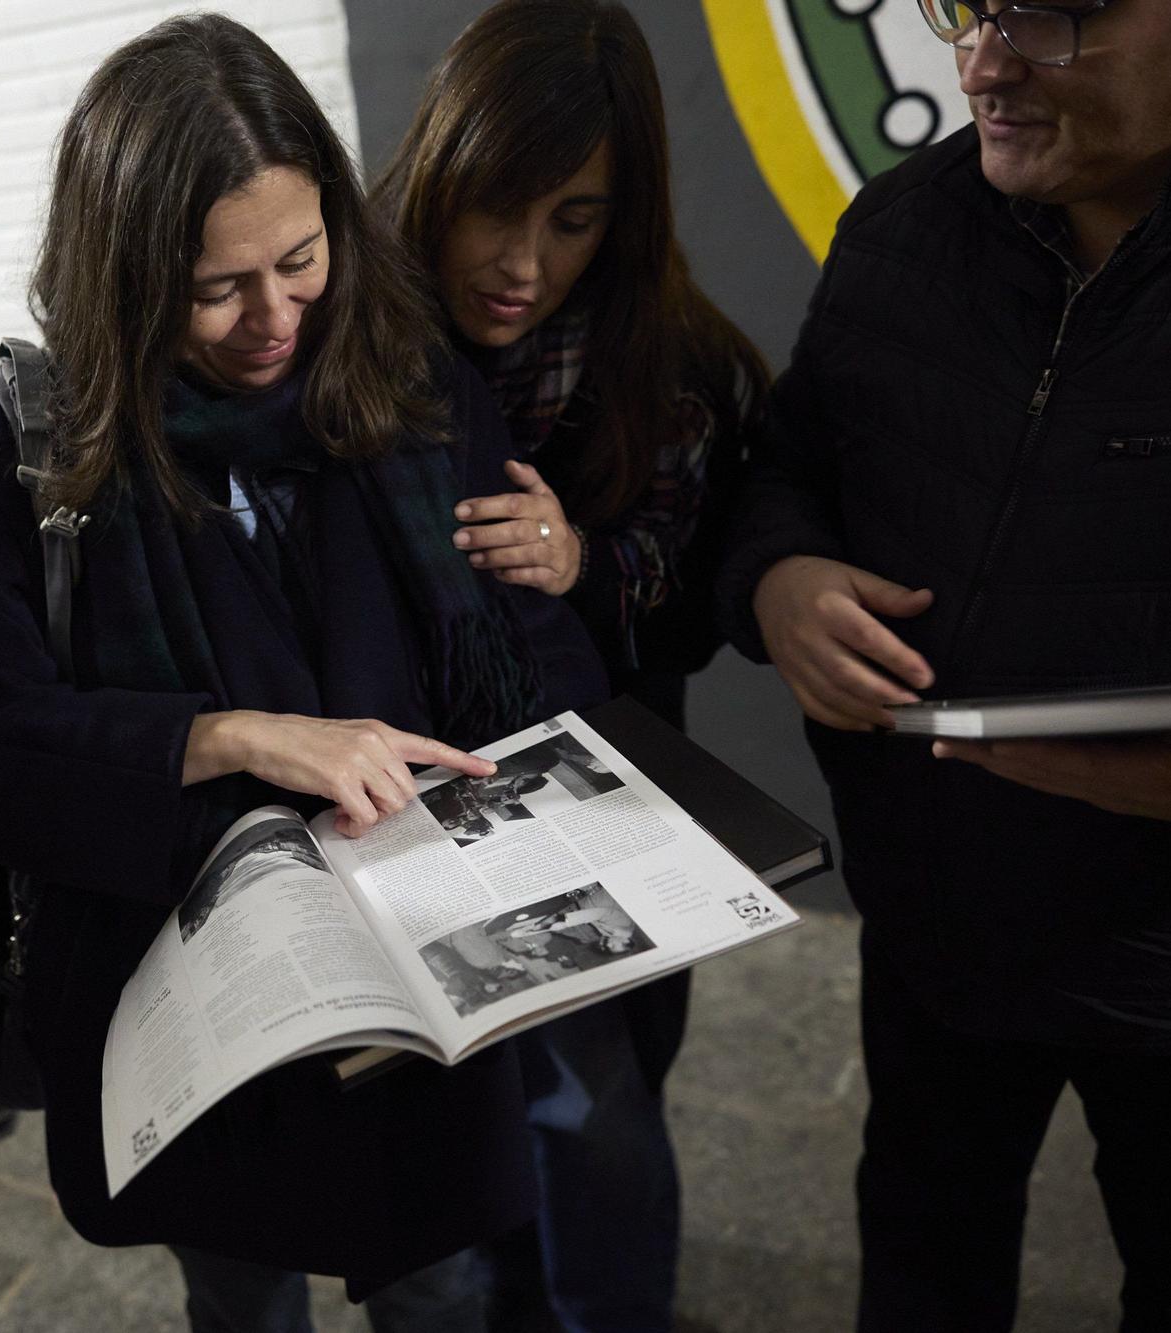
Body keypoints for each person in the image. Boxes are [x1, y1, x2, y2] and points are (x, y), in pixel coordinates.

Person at [0, 14, 608, 1332]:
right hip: (195, 993)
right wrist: (226, 738)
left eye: (300, 258)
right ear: (121, 275)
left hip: (419, 982)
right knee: (240, 1287)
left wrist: (553, 602)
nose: (274, 318)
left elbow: (526, 647)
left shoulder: (407, 373)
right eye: (216, 288)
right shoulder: (33, 443)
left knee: (442, 1277)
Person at [714, 2, 1171, 1328]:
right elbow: (787, 472)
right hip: (940, 928)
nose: (987, 67)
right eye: (969, 8)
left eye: (1051, 20)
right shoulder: (903, 228)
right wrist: (780, 579)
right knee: (926, 1259)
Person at [374, 4, 770, 1328]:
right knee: (449, 1113)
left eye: (575, 219)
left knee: (601, 1103)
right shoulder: (351, 337)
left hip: (612, 796)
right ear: (443, 164)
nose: (521, 262)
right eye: (497, 205)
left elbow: (707, 596)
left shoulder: (675, 360)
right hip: (401, 806)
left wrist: (590, 563)